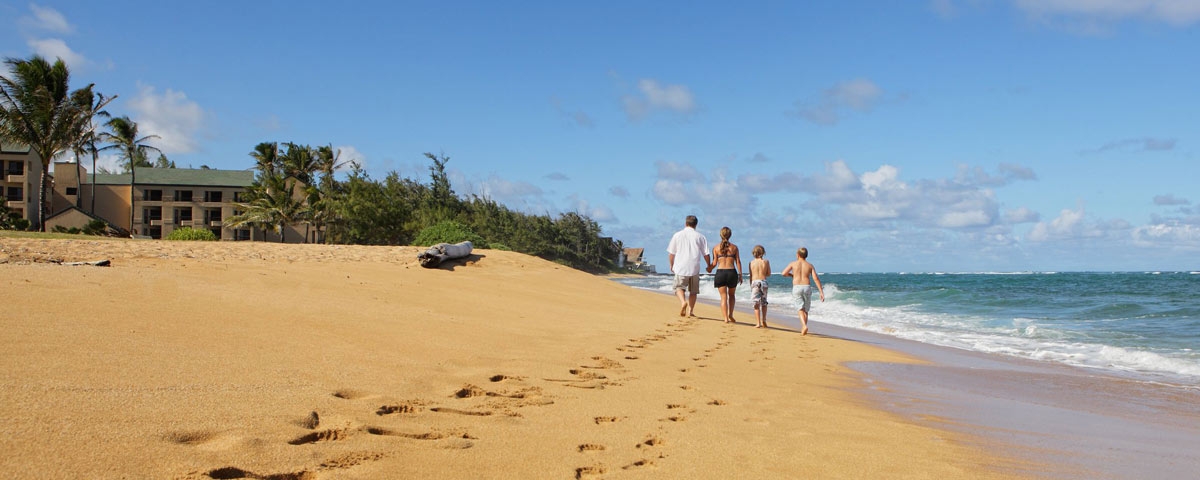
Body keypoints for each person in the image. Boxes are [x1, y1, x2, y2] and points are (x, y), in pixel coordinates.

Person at [667, 215, 711, 317]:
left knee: (678, 288)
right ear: (696, 225)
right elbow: (706, 254)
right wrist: (709, 265)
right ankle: (690, 311)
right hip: (695, 267)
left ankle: (683, 302)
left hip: (680, 266)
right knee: (693, 291)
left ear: (685, 223)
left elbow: (671, 253)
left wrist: (671, 264)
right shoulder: (700, 236)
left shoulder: (677, 235)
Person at [781, 247, 824, 335]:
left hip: (797, 287)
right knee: (806, 309)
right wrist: (821, 291)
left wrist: (791, 275)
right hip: (807, 287)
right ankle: (804, 327)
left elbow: (783, 273)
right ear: (806, 255)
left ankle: (804, 325)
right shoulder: (810, 265)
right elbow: (816, 278)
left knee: (800, 308)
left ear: (797, 255)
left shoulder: (793, 264)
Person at [706, 227, 742, 324]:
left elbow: (714, 263)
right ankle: (731, 314)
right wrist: (740, 274)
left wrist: (709, 268)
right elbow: (738, 261)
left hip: (720, 273)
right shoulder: (734, 247)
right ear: (730, 235)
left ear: (720, 235)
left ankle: (725, 318)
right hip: (731, 272)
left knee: (723, 297)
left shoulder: (716, 248)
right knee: (732, 295)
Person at [748, 245, 771, 329]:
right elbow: (768, 273)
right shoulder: (766, 262)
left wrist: (751, 285)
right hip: (763, 282)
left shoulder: (751, 263)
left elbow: (751, 275)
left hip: (755, 282)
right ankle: (764, 319)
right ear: (763, 253)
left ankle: (758, 323)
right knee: (764, 302)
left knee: (756, 304)